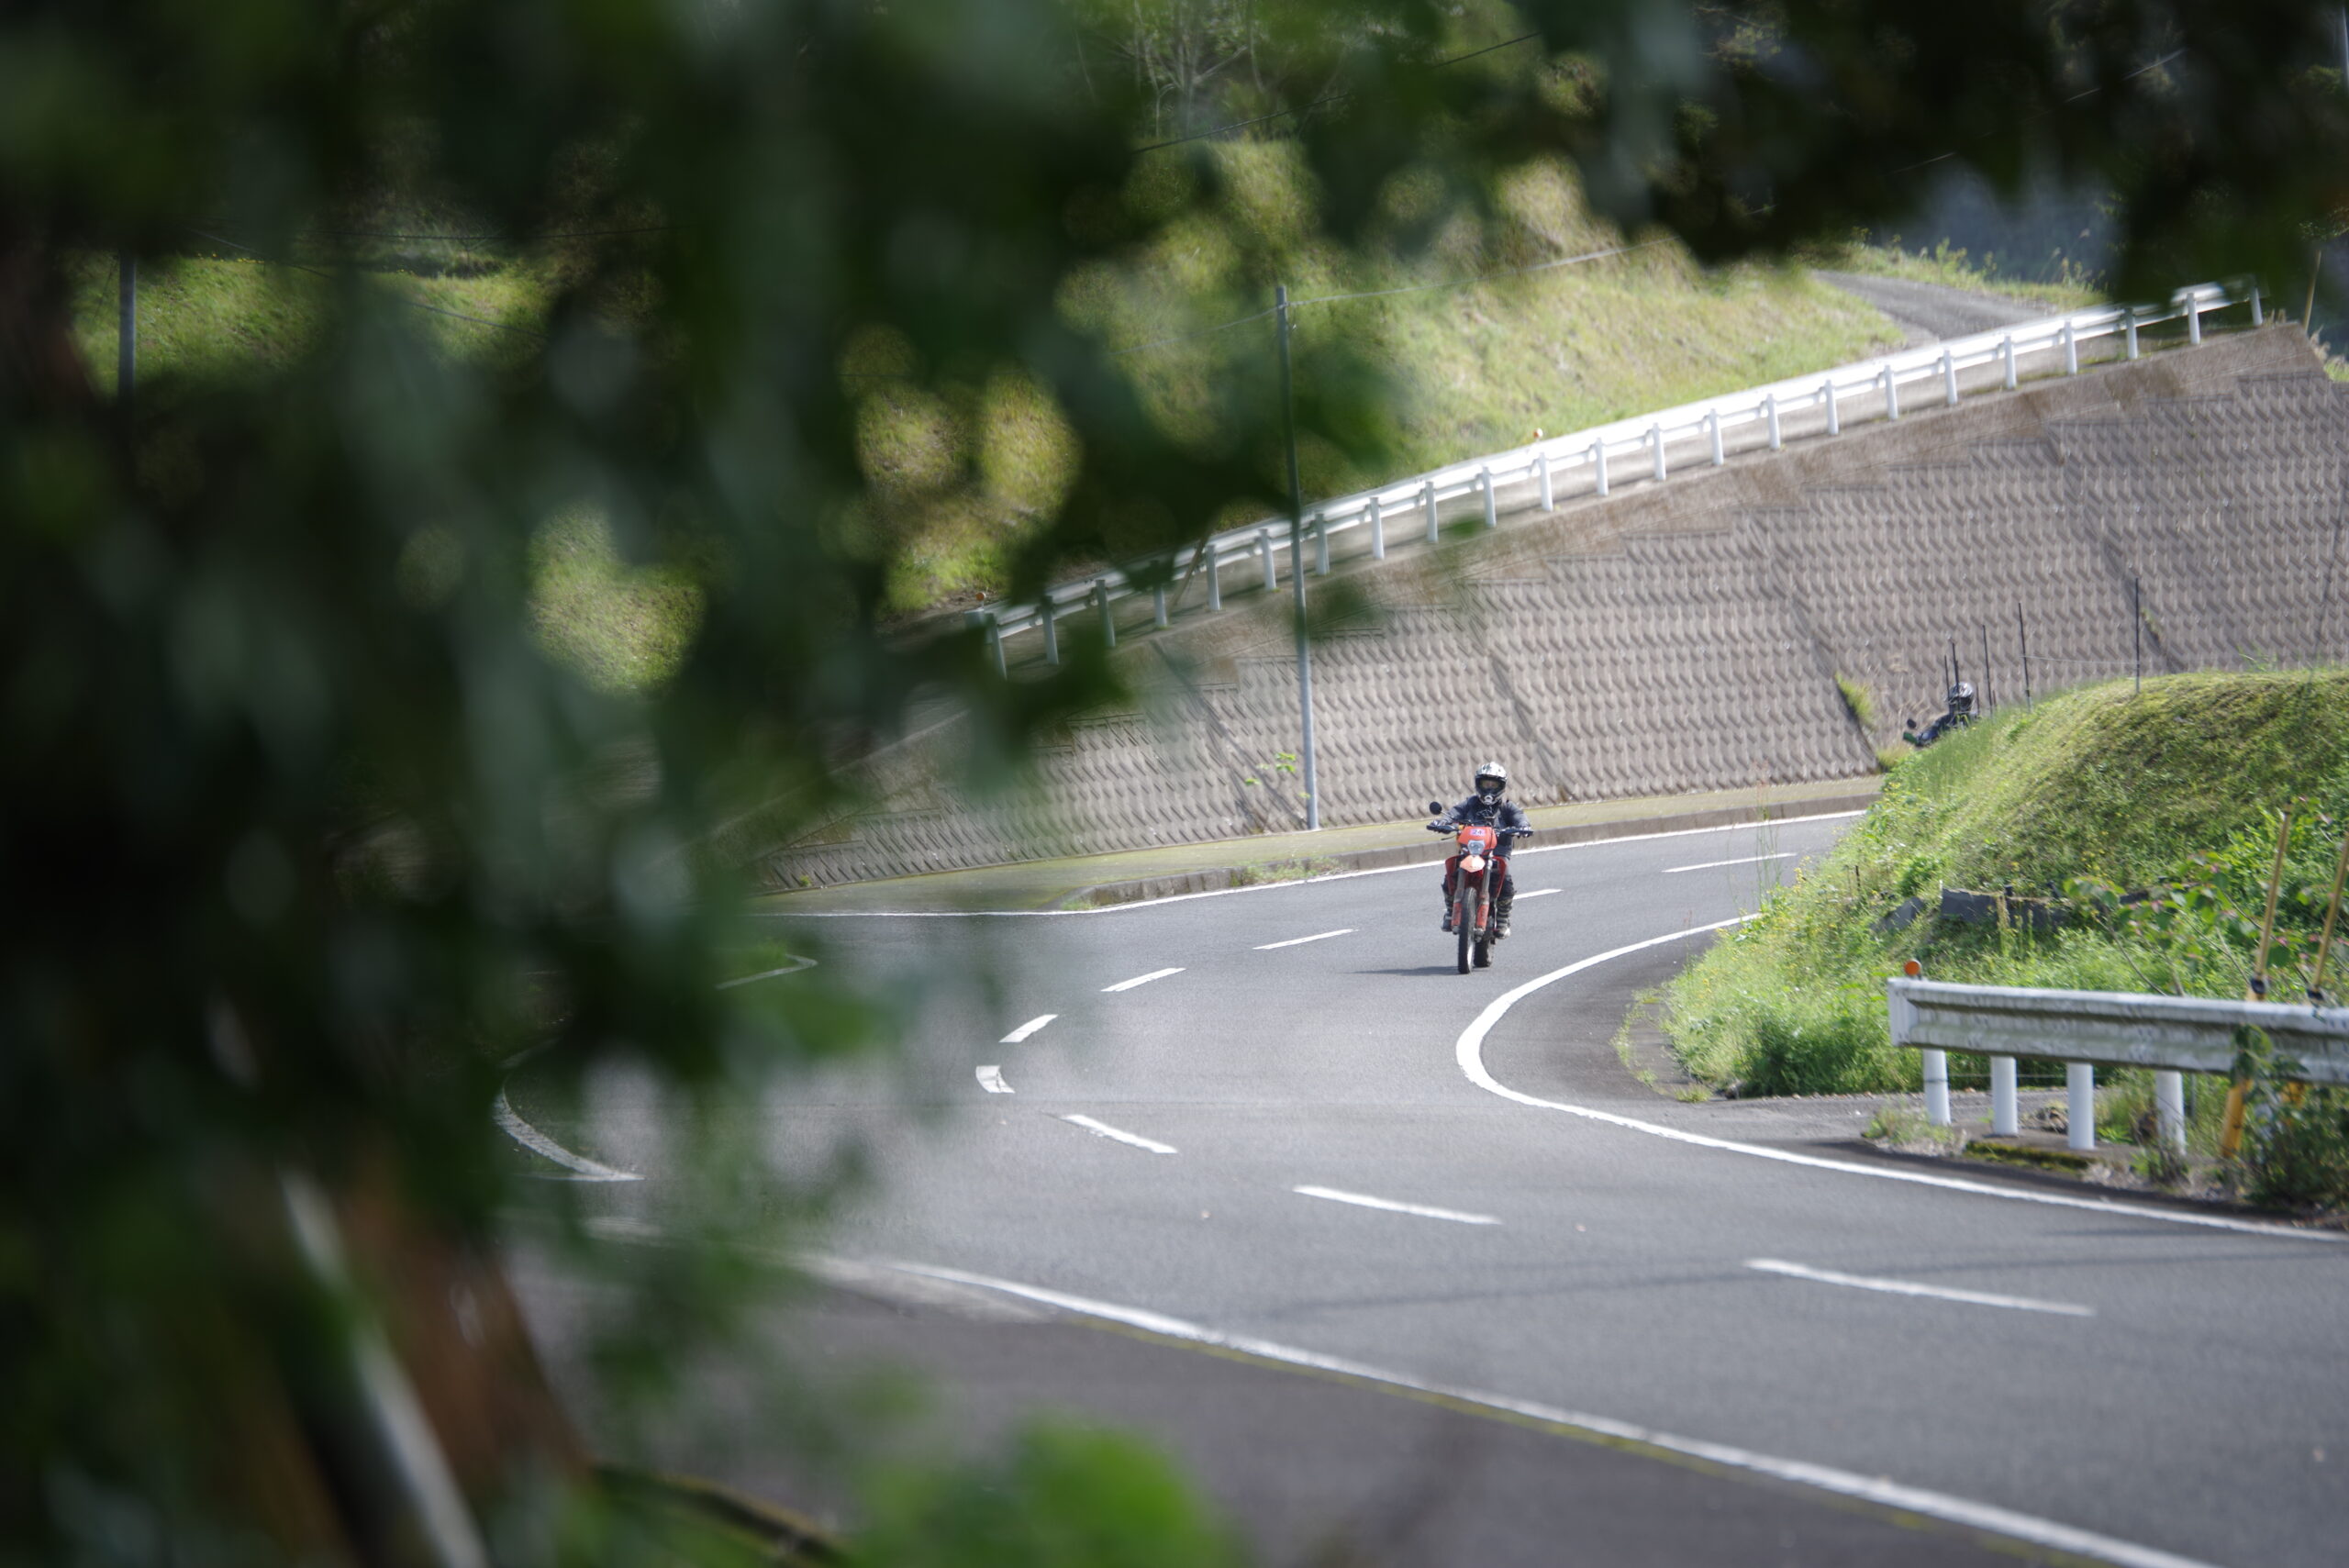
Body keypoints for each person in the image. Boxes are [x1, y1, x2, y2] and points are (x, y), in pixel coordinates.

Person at [1428, 761, 1532, 937]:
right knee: (1451, 873)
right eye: (1486, 784)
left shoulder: (1507, 807)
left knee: (1506, 880)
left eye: (1494, 785)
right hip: (1470, 849)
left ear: (1501, 786)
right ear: (1478, 784)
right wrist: (1443, 822)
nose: (1489, 789)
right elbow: (1453, 813)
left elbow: (1519, 817)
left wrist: (1523, 826)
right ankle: (1451, 909)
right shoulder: (1470, 803)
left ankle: (1503, 918)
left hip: (1498, 850)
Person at [1901, 681, 1977, 748]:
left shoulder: (1976, 718)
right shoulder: (1944, 721)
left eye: (1961, 703)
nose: (1956, 706)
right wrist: (1920, 738)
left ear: (1968, 702)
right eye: (1953, 704)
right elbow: (1931, 732)